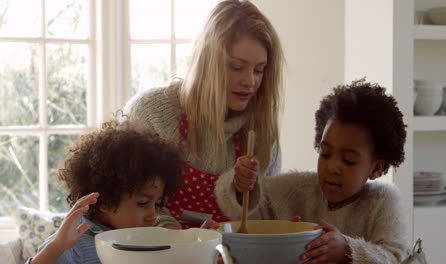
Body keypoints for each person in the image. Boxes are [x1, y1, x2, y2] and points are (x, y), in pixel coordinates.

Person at [124, 0, 284, 228]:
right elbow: (127, 203)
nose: (250, 81)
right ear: (207, 63)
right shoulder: (151, 111)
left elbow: (266, 217)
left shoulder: (261, 133)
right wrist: (178, 237)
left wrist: (244, 193)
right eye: (236, 67)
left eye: (259, 70)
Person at [217, 80, 411, 263]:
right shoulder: (295, 188)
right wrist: (241, 183)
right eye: (325, 154)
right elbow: (242, 208)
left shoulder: (384, 203)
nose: (332, 167)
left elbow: (396, 257)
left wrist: (347, 250)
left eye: (348, 160)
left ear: (376, 168)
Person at [27, 119, 218, 264]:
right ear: (103, 202)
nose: (152, 216)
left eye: (157, 204)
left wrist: (198, 245)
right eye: (143, 203)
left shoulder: (146, 235)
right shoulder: (73, 243)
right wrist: (58, 246)